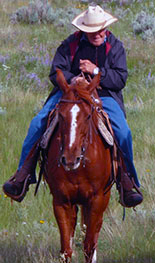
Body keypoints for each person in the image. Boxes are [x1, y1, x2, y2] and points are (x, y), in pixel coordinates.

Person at [3, 5, 143, 207]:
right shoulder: (70, 44)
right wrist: (76, 80)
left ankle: (127, 181)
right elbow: (55, 72)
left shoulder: (116, 47)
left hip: (104, 94)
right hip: (68, 93)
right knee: (37, 123)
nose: (98, 34)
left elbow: (120, 79)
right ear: (85, 30)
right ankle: (22, 175)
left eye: (101, 29)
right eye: (93, 31)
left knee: (122, 131)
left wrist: (96, 71)